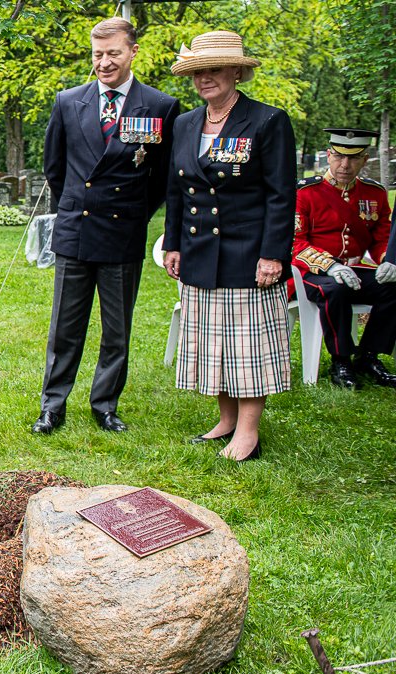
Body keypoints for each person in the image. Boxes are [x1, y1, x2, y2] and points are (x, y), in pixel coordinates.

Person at [34, 18, 179, 435]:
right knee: (65, 327)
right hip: (75, 231)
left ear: (133, 52)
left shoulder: (160, 107)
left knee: (116, 330)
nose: (104, 62)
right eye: (98, 54)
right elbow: (54, 168)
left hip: (123, 232)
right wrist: (77, 207)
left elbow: (162, 180)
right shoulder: (68, 100)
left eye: (113, 53)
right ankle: (52, 406)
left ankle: (105, 405)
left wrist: (133, 212)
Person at [162, 30, 296, 462]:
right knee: (212, 342)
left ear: (237, 71)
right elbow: (176, 190)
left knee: (246, 346)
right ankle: (226, 420)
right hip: (200, 253)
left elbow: (281, 195)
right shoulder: (185, 123)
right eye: (198, 71)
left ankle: (249, 432)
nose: (206, 78)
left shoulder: (266, 120)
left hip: (247, 253)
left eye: (214, 68)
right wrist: (174, 244)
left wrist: (273, 254)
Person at [293, 127, 396, 388]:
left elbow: (382, 237)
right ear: (328, 155)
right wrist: (329, 266)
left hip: (356, 269)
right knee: (335, 290)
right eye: (339, 156)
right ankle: (341, 360)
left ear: (364, 159)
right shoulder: (306, 192)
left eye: (353, 158)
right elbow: (295, 241)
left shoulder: (375, 194)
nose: (345, 164)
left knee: (393, 287)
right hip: (313, 273)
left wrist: (388, 260)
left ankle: (369, 355)